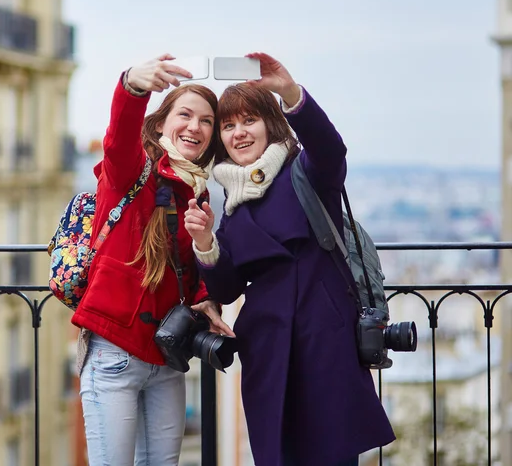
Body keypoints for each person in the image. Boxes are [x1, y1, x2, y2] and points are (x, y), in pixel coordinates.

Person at [184, 52, 395, 466]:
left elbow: (331, 149)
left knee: (331, 454)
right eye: (228, 125)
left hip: (324, 342)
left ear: (270, 124)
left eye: (249, 121)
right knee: (277, 455)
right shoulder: (231, 203)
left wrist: (289, 92)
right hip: (267, 351)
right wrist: (206, 242)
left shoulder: (304, 172)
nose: (238, 133)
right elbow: (227, 288)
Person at [72, 54, 234, 466]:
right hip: (116, 351)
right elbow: (118, 137)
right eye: (185, 114)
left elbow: (182, 272)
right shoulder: (131, 171)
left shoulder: (195, 191)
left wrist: (204, 294)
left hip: (166, 355)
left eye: (206, 121)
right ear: (161, 122)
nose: (195, 127)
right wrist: (132, 85)